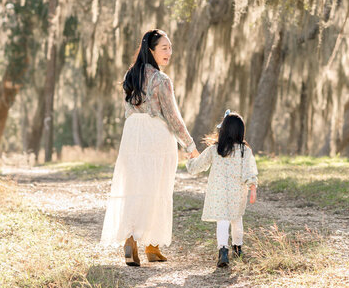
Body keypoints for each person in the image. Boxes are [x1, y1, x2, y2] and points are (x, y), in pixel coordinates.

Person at [100, 29, 197, 266]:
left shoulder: (130, 76)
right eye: (164, 48)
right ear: (151, 50)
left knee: (136, 188)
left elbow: (128, 110)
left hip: (132, 136)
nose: (169, 52)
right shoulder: (161, 80)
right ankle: (149, 245)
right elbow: (173, 117)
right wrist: (190, 145)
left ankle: (138, 242)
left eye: (170, 48)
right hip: (156, 136)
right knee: (157, 189)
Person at [186, 111, 258, 269]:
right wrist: (252, 186)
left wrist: (190, 159)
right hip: (237, 194)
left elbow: (198, 166)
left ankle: (223, 251)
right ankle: (237, 249)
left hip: (218, 194)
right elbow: (249, 171)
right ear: (241, 131)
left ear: (223, 130)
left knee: (223, 222)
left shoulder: (216, 149)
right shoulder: (244, 151)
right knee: (236, 220)